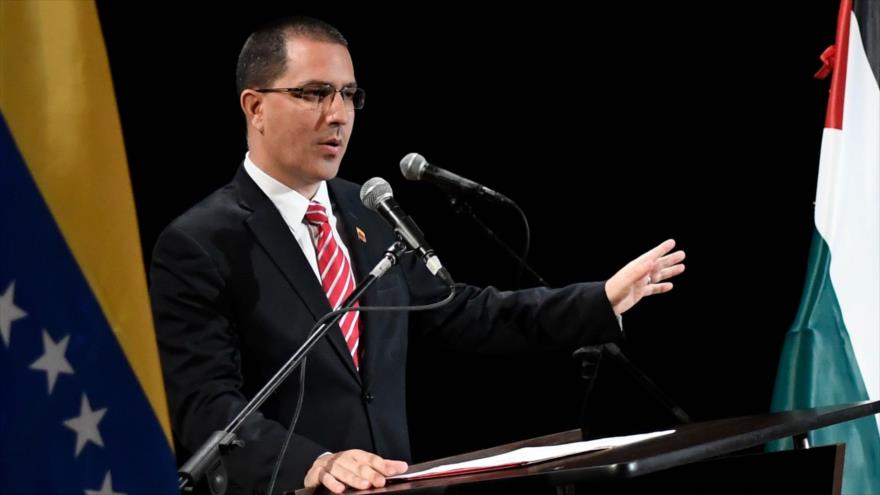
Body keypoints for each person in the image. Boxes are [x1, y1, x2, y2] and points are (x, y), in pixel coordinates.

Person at [149, 16, 686, 494]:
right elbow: (206, 407)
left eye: (349, 95)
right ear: (256, 106)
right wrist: (314, 464)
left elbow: (462, 312)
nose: (337, 115)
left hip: (394, 484)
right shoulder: (199, 243)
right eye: (314, 94)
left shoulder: (368, 213)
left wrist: (601, 298)